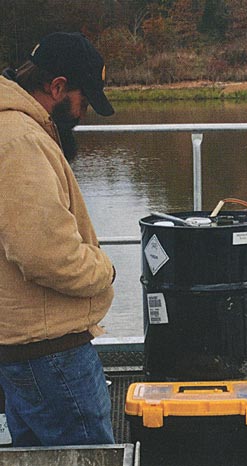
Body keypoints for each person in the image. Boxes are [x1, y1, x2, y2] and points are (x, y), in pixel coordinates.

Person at [0, 32, 116, 447]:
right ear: (57, 87)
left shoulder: (16, 129)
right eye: (83, 102)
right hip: (50, 353)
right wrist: (105, 270)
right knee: (87, 453)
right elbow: (45, 254)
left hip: (29, 348)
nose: (82, 114)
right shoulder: (20, 140)